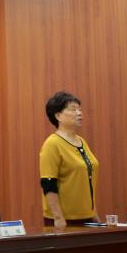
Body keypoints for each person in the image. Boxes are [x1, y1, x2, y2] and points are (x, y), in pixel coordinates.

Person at [40, 91, 99, 228]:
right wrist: (58, 217)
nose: (79, 113)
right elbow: (48, 184)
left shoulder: (82, 142)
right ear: (58, 116)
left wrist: (94, 212)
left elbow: (87, 180)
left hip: (87, 216)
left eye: (79, 109)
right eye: (73, 109)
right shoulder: (52, 144)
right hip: (64, 220)